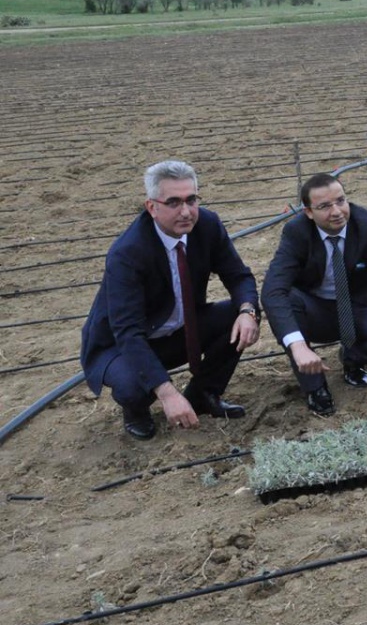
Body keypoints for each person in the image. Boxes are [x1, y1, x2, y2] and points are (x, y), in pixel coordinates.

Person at [80, 160, 260, 440]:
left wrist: (248, 311)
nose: (186, 211)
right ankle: (136, 409)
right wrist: (167, 393)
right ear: (152, 207)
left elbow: (239, 276)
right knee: (131, 385)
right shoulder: (128, 253)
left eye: (191, 200)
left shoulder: (208, 225)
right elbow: (127, 331)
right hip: (122, 344)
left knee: (235, 318)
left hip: (178, 328)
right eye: (174, 202)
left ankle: (203, 395)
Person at [261, 173, 367, 416]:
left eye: (341, 201)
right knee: (288, 300)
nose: (337, 211)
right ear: (308, 212)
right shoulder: (297, 232)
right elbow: (272, 291)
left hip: (360, 305)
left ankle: (353, 356)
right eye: (324, 206)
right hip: (317, 308)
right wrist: (298, 345)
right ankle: (315, 386)